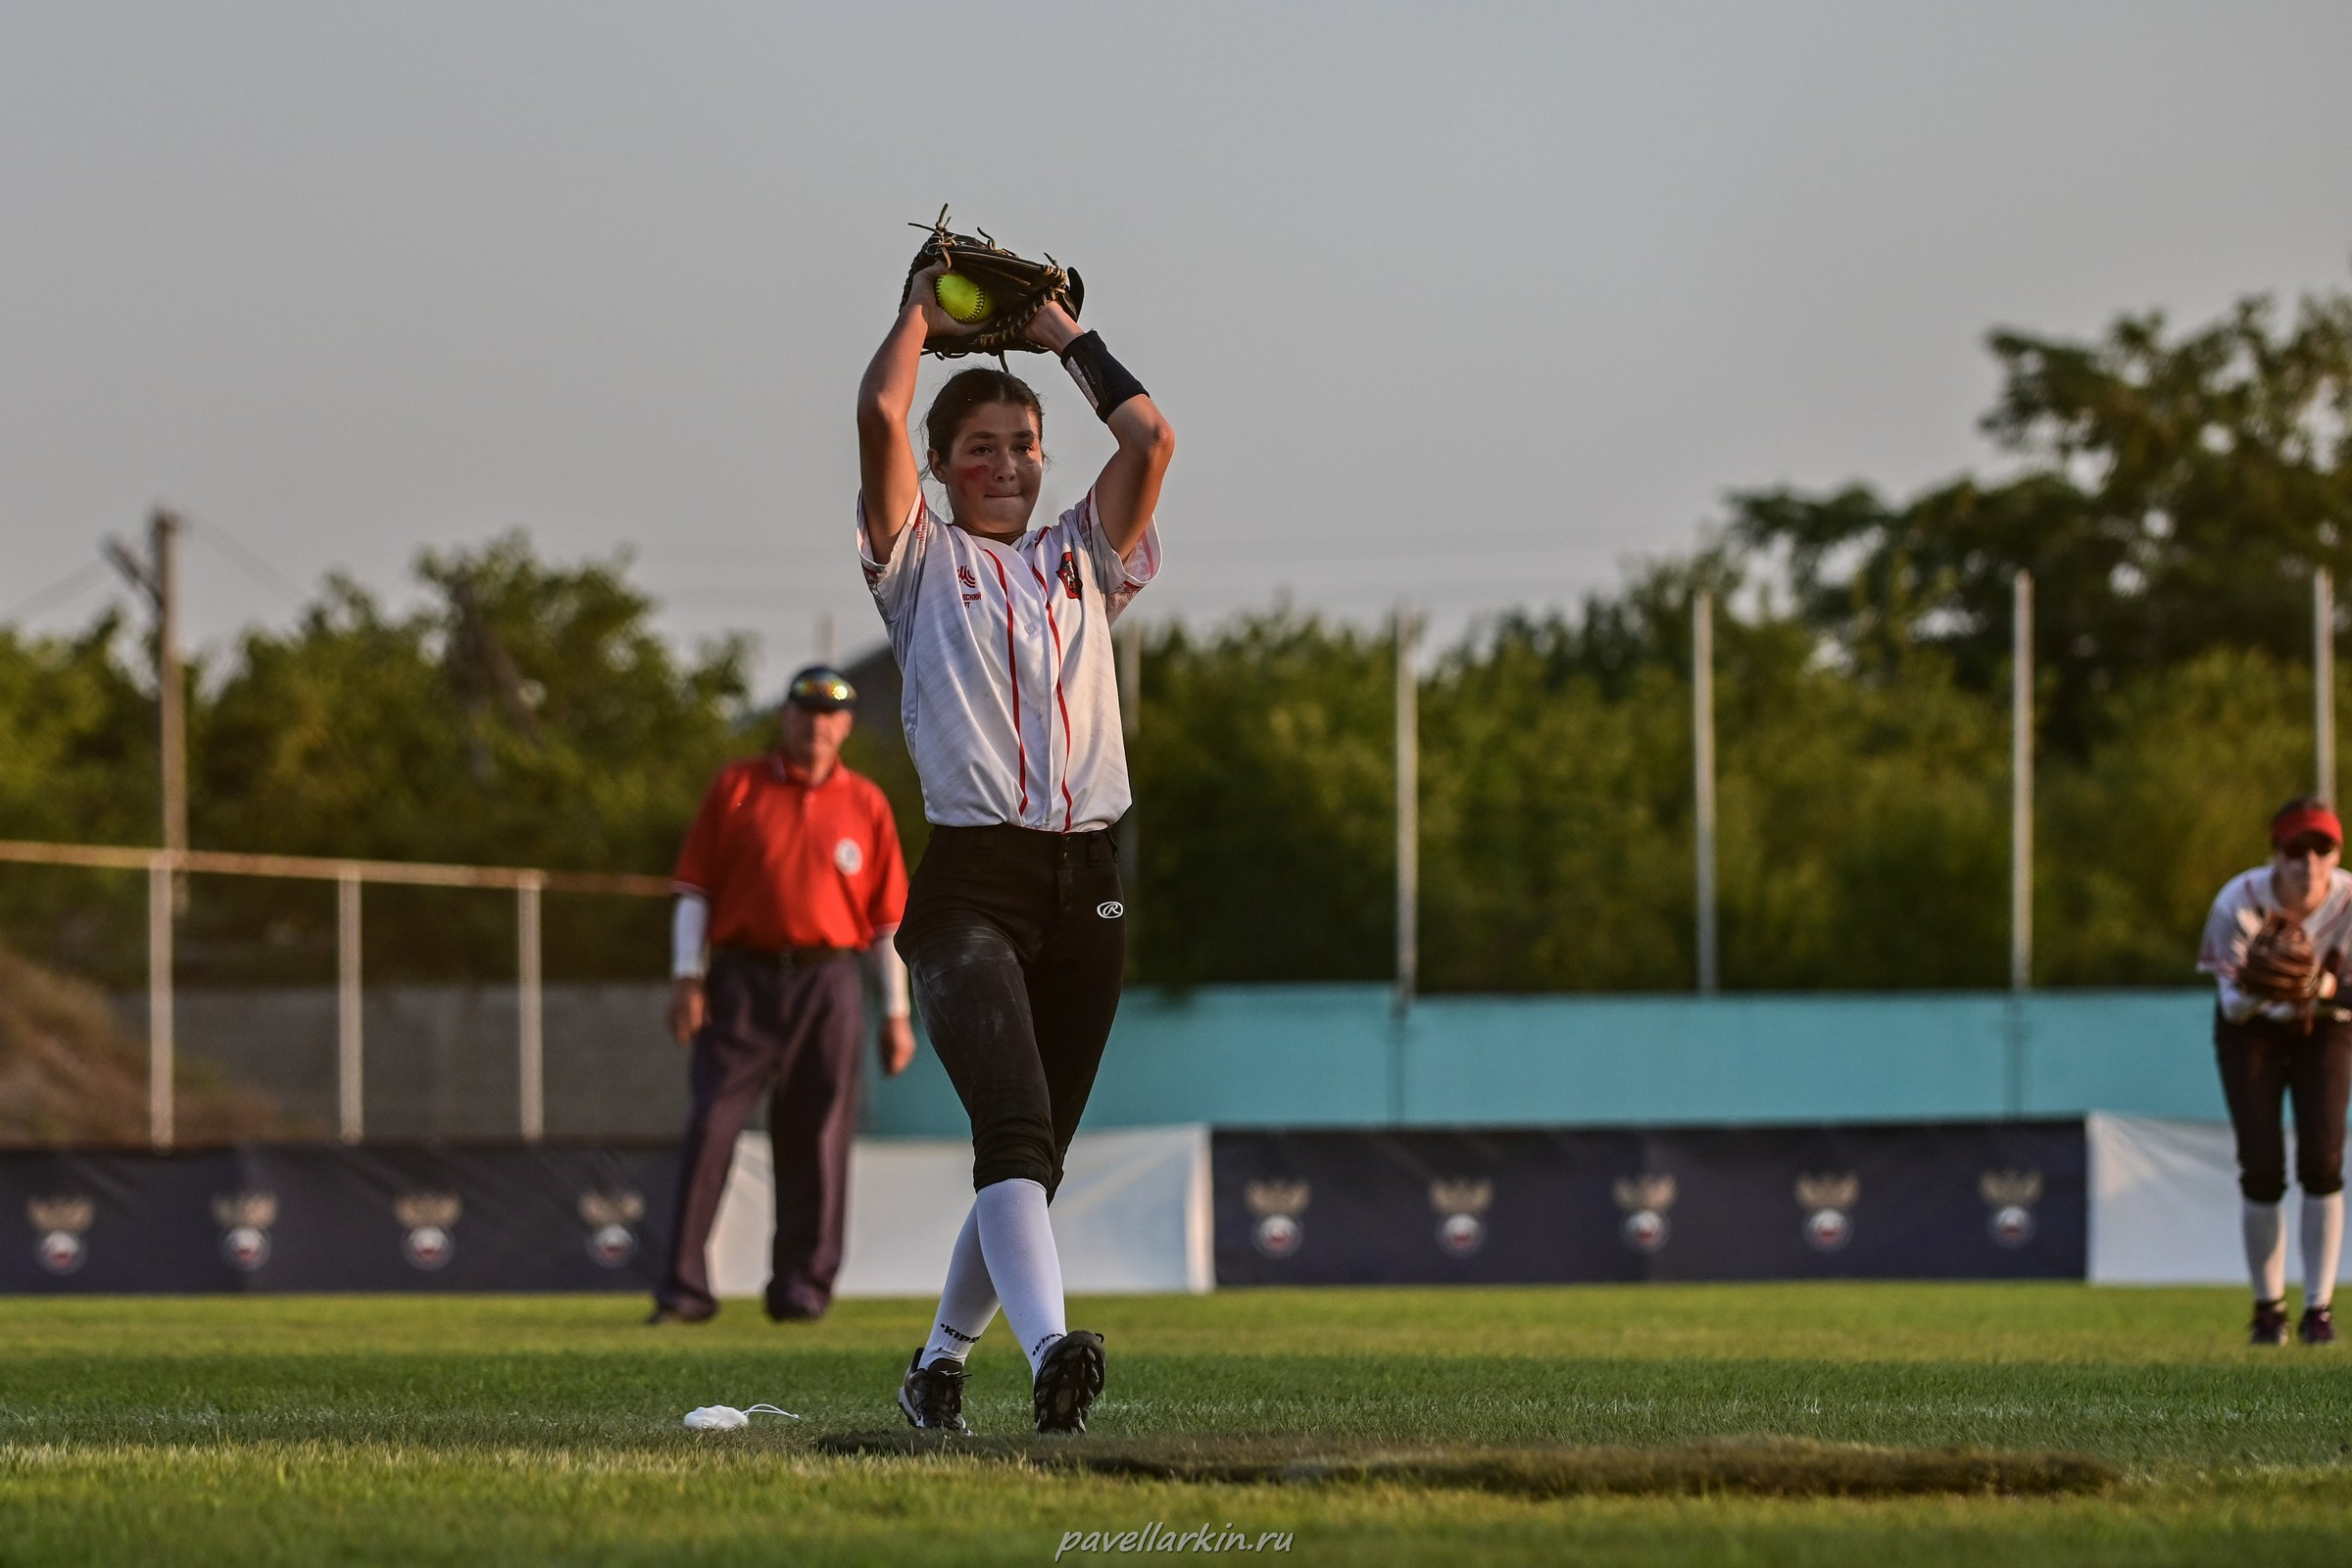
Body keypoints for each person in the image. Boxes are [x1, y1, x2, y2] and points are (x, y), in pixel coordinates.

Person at [855, 261, 1173, 1433]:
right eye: (979, 449)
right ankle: (1051, 1350)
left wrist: (1063, 337)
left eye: (1023, 445)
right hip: (970, 888)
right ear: (941, 467)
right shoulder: (920, 562)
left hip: (1087, 882)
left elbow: (1151, 438)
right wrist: (917, 317)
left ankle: (939, 1363)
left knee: (1030, 1162)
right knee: (1014, 1133)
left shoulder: (1082, 553)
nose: (1006, 464)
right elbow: (879, 409)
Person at [648, 665, 916, 1325]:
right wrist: (687, 976)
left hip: (830, 982)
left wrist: (897, 1012)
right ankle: (684, 1289)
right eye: (805, 712)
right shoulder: (738, 787)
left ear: (846, 726)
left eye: (830, 715)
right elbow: (695, 890)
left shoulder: (866, 803)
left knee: (818, 1137)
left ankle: (802, 1287)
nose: (816, 725)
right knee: (712, 1126)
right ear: (786, 718)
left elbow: (887, 923)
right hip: (743, 979)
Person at [2196, 795, 2352, 1347]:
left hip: (2326, 1026)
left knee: (2323, 1160)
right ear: (2276, 853)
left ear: (2336, 854)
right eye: (2296, 849)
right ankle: (2268, 1310)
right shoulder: (2237, 902)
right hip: (2252, 1030)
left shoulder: (2349, 900)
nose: (2309, 862)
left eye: (2321, 849)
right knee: (2261, 1166)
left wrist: (2317, 985)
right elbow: (2234, 1006)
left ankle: (2318, 1310)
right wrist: (2273, 984)